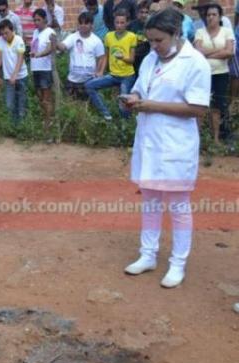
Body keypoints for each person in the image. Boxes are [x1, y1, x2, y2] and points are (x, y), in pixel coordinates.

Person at [123, 8, 210, 288]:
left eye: (159, 40)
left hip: (176, 146)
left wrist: (151, 105)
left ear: (175, 34)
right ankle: (147, 255)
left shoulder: (195, 63)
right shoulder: (150, 59)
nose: (154, 46)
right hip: (149, 141)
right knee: (150, 201)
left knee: (178, 206)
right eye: (150, 40)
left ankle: (177, 264)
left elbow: (197, 108)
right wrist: (135, 97)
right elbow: (140, 87)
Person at [194, 3, 235, 145]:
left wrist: (207, 54)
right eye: (208, 15)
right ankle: (197, 138)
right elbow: (198, 52)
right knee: (200, 105)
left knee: (217, 106)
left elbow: (229, 52)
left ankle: (216, 139)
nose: (210, 17)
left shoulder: (226, 32)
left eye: (214, 15)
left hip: (221, 74)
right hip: (203, 74)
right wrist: (219, 52)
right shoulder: (200, 32)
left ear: (220, 17)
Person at [85, 9, 137, 120]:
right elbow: (106, 56)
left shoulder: (131, 37)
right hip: (113, 75)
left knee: (124, 104)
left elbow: (132, 59)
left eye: (122, 23)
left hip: (127, 76)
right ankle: (106, 114)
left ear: (127, 23)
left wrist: (122, 57)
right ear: (114, 22)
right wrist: (100, 71)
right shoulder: (109, 36)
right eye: (117, 22)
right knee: (89, 85)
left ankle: (125, 126)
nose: (119, 25)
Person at [52, 12, 106, 99]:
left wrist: (100, 72)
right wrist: (55, 41)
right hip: (72, 80)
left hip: (89, 80)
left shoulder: (96, 40)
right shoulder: (73, 37)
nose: (83, 25)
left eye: (86, 23)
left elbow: (102, 58)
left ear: (91, 25)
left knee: (86, 105)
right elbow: (62, 47)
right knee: (71, 104)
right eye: (81, 23)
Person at [0, 19, 29, 122]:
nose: (4, 36)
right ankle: (12, 128)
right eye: (2, 34)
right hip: (8, 78)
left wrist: (15, 75)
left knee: (21, 104)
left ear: (12, 30)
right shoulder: (1, 40)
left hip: (21, 76)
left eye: (6, 33)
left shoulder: (19, 40)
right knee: (9, 105)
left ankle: (22, 127)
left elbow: (20, 58)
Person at [30, 9, 56, 120]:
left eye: (38, 20)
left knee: (46, 98)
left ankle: (48, 121)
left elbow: (50, 48)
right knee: (39, 96)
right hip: (35, 68)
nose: (36, 22)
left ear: (45, 19)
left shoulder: (50, 32)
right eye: (34, 20)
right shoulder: (35, 32)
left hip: (45, 68)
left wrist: (39, 54)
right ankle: (45, 118)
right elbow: (34, 48)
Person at [128, 0, 150, 73]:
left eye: (146, 12)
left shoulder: (152, 26)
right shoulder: (131, 25)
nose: (144, 15)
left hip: (146, 57)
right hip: (133, 57)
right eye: (142, 12)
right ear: (137, 13)